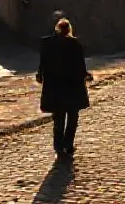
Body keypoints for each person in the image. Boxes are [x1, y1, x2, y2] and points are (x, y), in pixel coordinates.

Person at [36, 17, 93, 158]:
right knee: (72, 117)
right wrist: (86, 75)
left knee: (59, 118)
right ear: (69, 30)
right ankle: (68, 144)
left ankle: (58, 146)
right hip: (72, 87)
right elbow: (80, 65)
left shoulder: (47, 44)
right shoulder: (75, 45)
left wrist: (40, 75)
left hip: (55, 88)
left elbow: (42, 64)